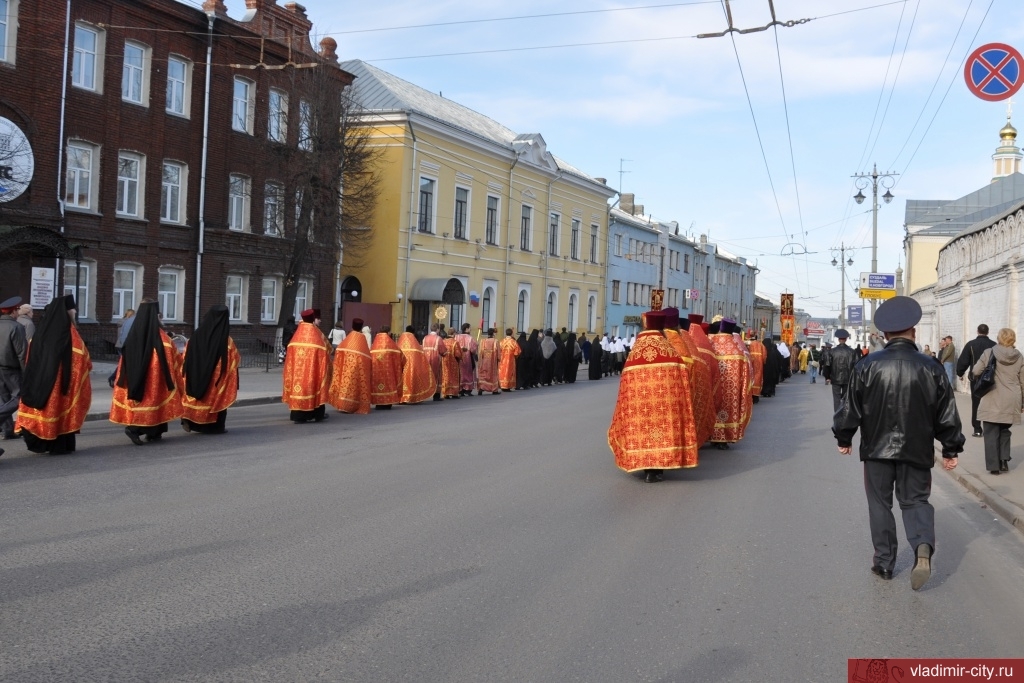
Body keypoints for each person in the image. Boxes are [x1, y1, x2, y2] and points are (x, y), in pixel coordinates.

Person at [834, 296, 963, 590]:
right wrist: (951, 448)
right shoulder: (932, 367)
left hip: (876, 450)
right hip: (917, 449)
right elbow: (947, 413)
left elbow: (849, 408)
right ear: (913, 332)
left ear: (885, 334)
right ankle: (922, 545)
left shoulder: (867, 365)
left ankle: (884, 563)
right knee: (916, 500)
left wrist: (844, 437)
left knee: (879, 504)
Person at [608, 310, 700, 482]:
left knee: (643, 433)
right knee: (661, 433)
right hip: (663, 407)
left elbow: (625, 383)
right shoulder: (669, 350)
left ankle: (646, 467)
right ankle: (657, 470)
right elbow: (682, 380)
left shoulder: (636, 352)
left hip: (640, 406)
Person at [16, 295, 91, 455]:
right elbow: (81, 355)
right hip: (60, 381)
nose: (75, 312)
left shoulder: (42, 330)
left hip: (40, 379)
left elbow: (31, 355)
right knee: (59, 411)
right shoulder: (69, 332)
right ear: (67, 311)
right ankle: (59, 445)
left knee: (47, 411)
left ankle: (47, 442)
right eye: (73, 309)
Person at [110, 301, 185, 445]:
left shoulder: (133, 334)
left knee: (142, 404)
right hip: (154, 380)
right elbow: (175, 359)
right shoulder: (162, 338)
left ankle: (154, 433)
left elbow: (123, 360)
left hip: (134, 378)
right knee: (153, 404)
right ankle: (134, 429)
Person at [972, 328, 1024, 475]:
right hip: (1011, 398)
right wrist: (1022, 402)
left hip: (992, 396)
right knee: (1005, 430)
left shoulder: (989, 352)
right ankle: (1004, 461)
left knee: (990, 432)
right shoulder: (1019, 356)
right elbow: (1023, 381)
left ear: (999, 338)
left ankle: (994, 466)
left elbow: (976, 371)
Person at [180, 305, 239, 434]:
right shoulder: (226, 341)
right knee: (212, 399)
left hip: (194, 374)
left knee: (194, 399)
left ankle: (189, 420)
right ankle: (214, 427)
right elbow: (233, 360)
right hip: (214, 378)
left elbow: (185, 355)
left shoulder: (196, 335)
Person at [282, 308, 331, 423]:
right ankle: (316, 414)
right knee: (314, 388)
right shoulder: (315, 335)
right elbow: (324, 352)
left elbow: (289, 358)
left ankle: (297, 416)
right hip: (311, 373)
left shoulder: (296, 336)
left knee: (298, 390)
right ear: (313, 319)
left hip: (297, 374)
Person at [956, 324, 997, 438]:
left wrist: (960, 372)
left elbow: (964, 360)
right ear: (988, 332)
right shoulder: (994, 345)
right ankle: (990, 428)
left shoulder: (971, 344)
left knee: (976, 402)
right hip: (991, 378)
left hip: (976, 377)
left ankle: (977, 429)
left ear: (977, 331)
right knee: (990, 403)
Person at [0, 296, 28, 447]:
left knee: (4, 398)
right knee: (18, 397)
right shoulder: (16, 327)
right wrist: (27, 372)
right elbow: (22, 353)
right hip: (11, 369)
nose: (18, 312)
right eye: (17, 309)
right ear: (13, 311)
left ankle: (7, 431)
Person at [329, 317, 372, 414]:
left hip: (346, 369)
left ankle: (343, 404)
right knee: (355, 387)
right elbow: (367, 357)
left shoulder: (349, 338)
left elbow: (339, 350)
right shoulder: (362, 339)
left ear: (352, 327)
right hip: (358, 369)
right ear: (361, 328)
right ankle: (353, 405)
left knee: (345, 385)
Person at [823, 329, 859, 413]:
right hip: (848, 379)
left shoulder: (832, 351)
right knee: (846, 398)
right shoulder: (852, 352)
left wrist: (827, 377)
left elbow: (827, 365)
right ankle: (845, 415)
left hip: (835, 378)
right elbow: (857, 366)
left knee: (836, 398)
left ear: (838, 339)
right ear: (846, 339)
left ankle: (837, 415)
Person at [397, 325, 435, 404]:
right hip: (412, 367)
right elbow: (420, 356)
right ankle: (411, 397)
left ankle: (401, 398)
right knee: (411, 381)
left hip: (401, 367)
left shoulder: (401, 340)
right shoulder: (413, 342)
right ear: (413, 332)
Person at [370, 325, 404, 410]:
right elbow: (401, 355)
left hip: (376, 370)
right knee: (388, 384)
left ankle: (378, 402)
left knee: (377, 384)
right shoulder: (390, 343)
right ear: (388, 332)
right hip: (388, 371)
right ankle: (387, 402)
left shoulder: (375, 343)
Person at [108, 308, 135, 388]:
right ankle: (113, 377)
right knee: (124, 363)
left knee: (123, 362)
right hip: (124, 345)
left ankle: (114, 378)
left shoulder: (122, 322)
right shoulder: (129, 322)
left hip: (119, 344)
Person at [421, 324, 447, 401]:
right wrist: (445, 353)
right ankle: (436, 395)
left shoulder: (425, 338)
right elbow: (443, 351)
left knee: (427, 376)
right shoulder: (438, 338)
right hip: (435, 359)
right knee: (436, 376)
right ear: (438, 330)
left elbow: (422, 348)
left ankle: (424, 394)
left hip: (426, 359)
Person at [455, 323, 478, 396]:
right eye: (470, 328)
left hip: (459, 357)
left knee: (461, 373)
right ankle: (467, 389)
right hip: (468, 357)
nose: (471, 329)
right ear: (467, 329)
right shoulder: (470, 338)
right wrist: (476, 346)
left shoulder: (457, 337)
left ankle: (461, 389)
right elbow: (473, 349)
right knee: (468, 372)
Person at [476, 328, 500, 395]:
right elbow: (498, 351)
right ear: (493, 333)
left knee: (484, 374)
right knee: (492, 375)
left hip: (484, 361)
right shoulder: (495, 341)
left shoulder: (483, 341)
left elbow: (480, 351)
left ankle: (481, 388)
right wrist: (499, 359)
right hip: (492, 361)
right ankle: (494, 390)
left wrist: (480, 360)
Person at [441, 329, 462, 399]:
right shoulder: (455, 342)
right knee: (453, 377)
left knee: (446, 377)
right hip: (453, 363)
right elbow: (458, 354)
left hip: (444, 362)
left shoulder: (443, 341)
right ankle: (454, 393)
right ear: (454, 334)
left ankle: (446, 393)